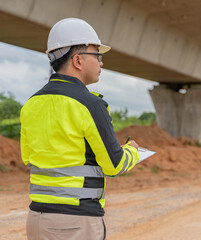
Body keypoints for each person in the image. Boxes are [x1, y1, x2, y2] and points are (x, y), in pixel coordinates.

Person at [20, 18, 139, 240]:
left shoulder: (31, 104)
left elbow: (28, 158)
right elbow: (114, 165)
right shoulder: (90, 104)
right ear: (78, 60)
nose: (101, 63)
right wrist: (132, 151)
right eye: (98, 55)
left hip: (36, 220)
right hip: (76, 223)